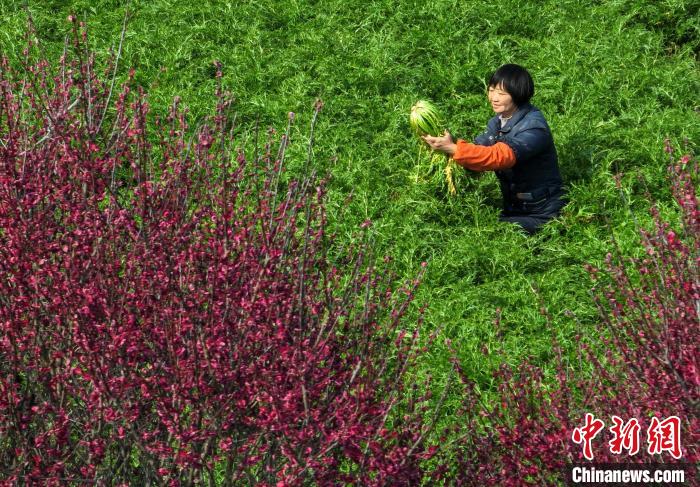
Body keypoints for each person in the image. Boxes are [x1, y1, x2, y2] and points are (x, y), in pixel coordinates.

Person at [422, 64, 566, 235]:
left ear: (518, 94)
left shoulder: (534, 127)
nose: (493, 98)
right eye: (491, 90)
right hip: (515, 208)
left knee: (488, 232)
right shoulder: (497, 122)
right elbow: (478, 150)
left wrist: (454, 148)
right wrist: (448, 144)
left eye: (501, 93)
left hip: (542, 213)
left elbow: (500, 157)